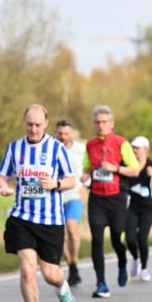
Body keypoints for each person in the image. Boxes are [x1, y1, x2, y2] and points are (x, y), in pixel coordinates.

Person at [0, 104, 79, 302]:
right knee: (27, 269)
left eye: (38, 125)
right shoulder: (14, 148)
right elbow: (2, 175)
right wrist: (3, 186)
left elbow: (71, 180)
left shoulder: (56, 148)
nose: (33, 129)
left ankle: (63, 288)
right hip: (22, 217)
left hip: (50, 220)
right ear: (24, 123)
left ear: (46, 124)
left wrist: (56, 183)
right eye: (29, 124)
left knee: (50, 273)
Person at [81, 105, 141, 298]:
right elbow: (86, 168)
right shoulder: (90, 145)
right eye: (98, 122)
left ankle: (122, 263)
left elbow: (135, 170)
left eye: (104, 122)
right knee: (97, 240)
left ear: (112, 123)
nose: (101, 125)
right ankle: (101, 283)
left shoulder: (121, 143)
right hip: (97, 198)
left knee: (116, 237)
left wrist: (115, 168)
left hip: (117, 198)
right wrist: (84, 176)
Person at [55, 120, 87, 286]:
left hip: (75, 194)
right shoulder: (51, 148)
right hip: (55, 197)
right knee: (61, 235)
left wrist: (86, 187)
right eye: (60, 133)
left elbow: (89, 169)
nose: (63, 137)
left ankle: (74, 261)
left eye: (66, 133)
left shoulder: (81, 149)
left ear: (72, 133)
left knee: (72, 227)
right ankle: (71, 265)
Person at [125, 136, 152, 282]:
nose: (135, 150)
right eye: (133, 148)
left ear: (146, 149)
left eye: (137, 148)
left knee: (142, 237)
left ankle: (144, 268)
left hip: (148, 208)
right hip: (133, 207)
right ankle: (136, 258)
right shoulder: (130, 166)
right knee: (129, 237)